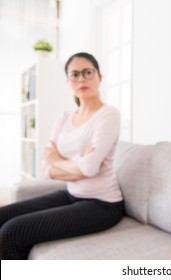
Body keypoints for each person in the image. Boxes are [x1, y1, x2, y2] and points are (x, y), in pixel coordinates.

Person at [0, 52, 124, 259]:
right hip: (71, 193)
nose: (81, 78)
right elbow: (44, 168)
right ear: (68, 81)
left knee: (12, 232)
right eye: (74, 74)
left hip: (103, 204)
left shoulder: (108, 115)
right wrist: (78, 166)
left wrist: (57, 160)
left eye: (88, 72)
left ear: (99, 77)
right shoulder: (64, 118)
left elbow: (89, 168)